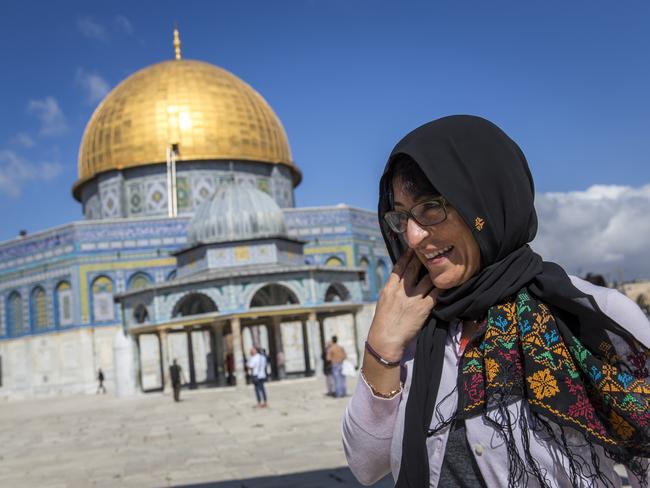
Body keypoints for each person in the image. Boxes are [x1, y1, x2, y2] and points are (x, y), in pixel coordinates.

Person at [342, 116, 650, 487]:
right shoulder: (417, 332)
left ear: (484, 202)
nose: (413, 235)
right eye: (402, 216)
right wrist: (382, 348)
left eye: (430, 207)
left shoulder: (588, 315)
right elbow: (366, 465)